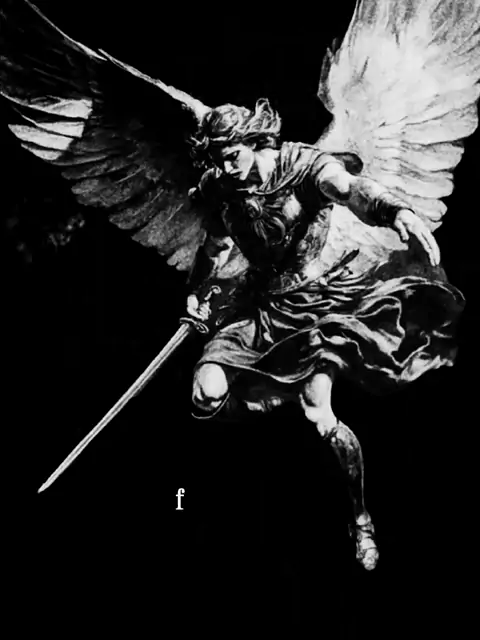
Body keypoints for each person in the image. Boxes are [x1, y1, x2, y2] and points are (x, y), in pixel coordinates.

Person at [183, 99, 464, 571]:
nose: (227, 168)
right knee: (204, 394)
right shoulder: (219, 187)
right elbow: (214, 246)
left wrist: (396, 212)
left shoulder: (303, 166)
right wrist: (197, 289)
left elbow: (352, 191)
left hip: (311, 305)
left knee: (319, 415)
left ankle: (360, 518)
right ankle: (272, 402)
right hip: (259, 305)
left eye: (232, 156)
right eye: (218, 160)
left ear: (254, 141)